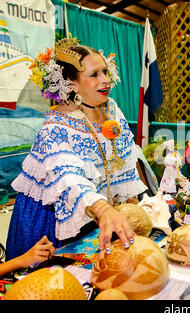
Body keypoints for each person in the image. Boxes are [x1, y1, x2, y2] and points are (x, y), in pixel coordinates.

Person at [6, 38, 149, 261]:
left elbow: (125, 156)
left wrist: (133, 203)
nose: (105, 80)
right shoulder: (55, 125)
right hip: (54, 215)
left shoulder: (112, 108)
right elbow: (68, 177)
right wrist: (103, 209)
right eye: (94, 75)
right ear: (71, 83)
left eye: (105, 71)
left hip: (98, 207)